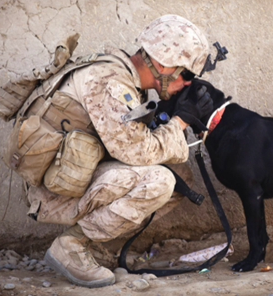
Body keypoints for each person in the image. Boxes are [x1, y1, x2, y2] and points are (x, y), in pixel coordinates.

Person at [26, 14, 214, 288]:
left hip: (71, 174)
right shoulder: (110, 83)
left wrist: (168, 115)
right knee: (161, 182)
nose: (187, 83)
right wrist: (181, 120)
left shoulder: (123, 76)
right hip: (52, 191)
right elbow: (138, 152)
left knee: (180, 177)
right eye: (185, 75)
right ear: (161, 64)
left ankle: (90, 241)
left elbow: (129, 140)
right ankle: (72, 245)